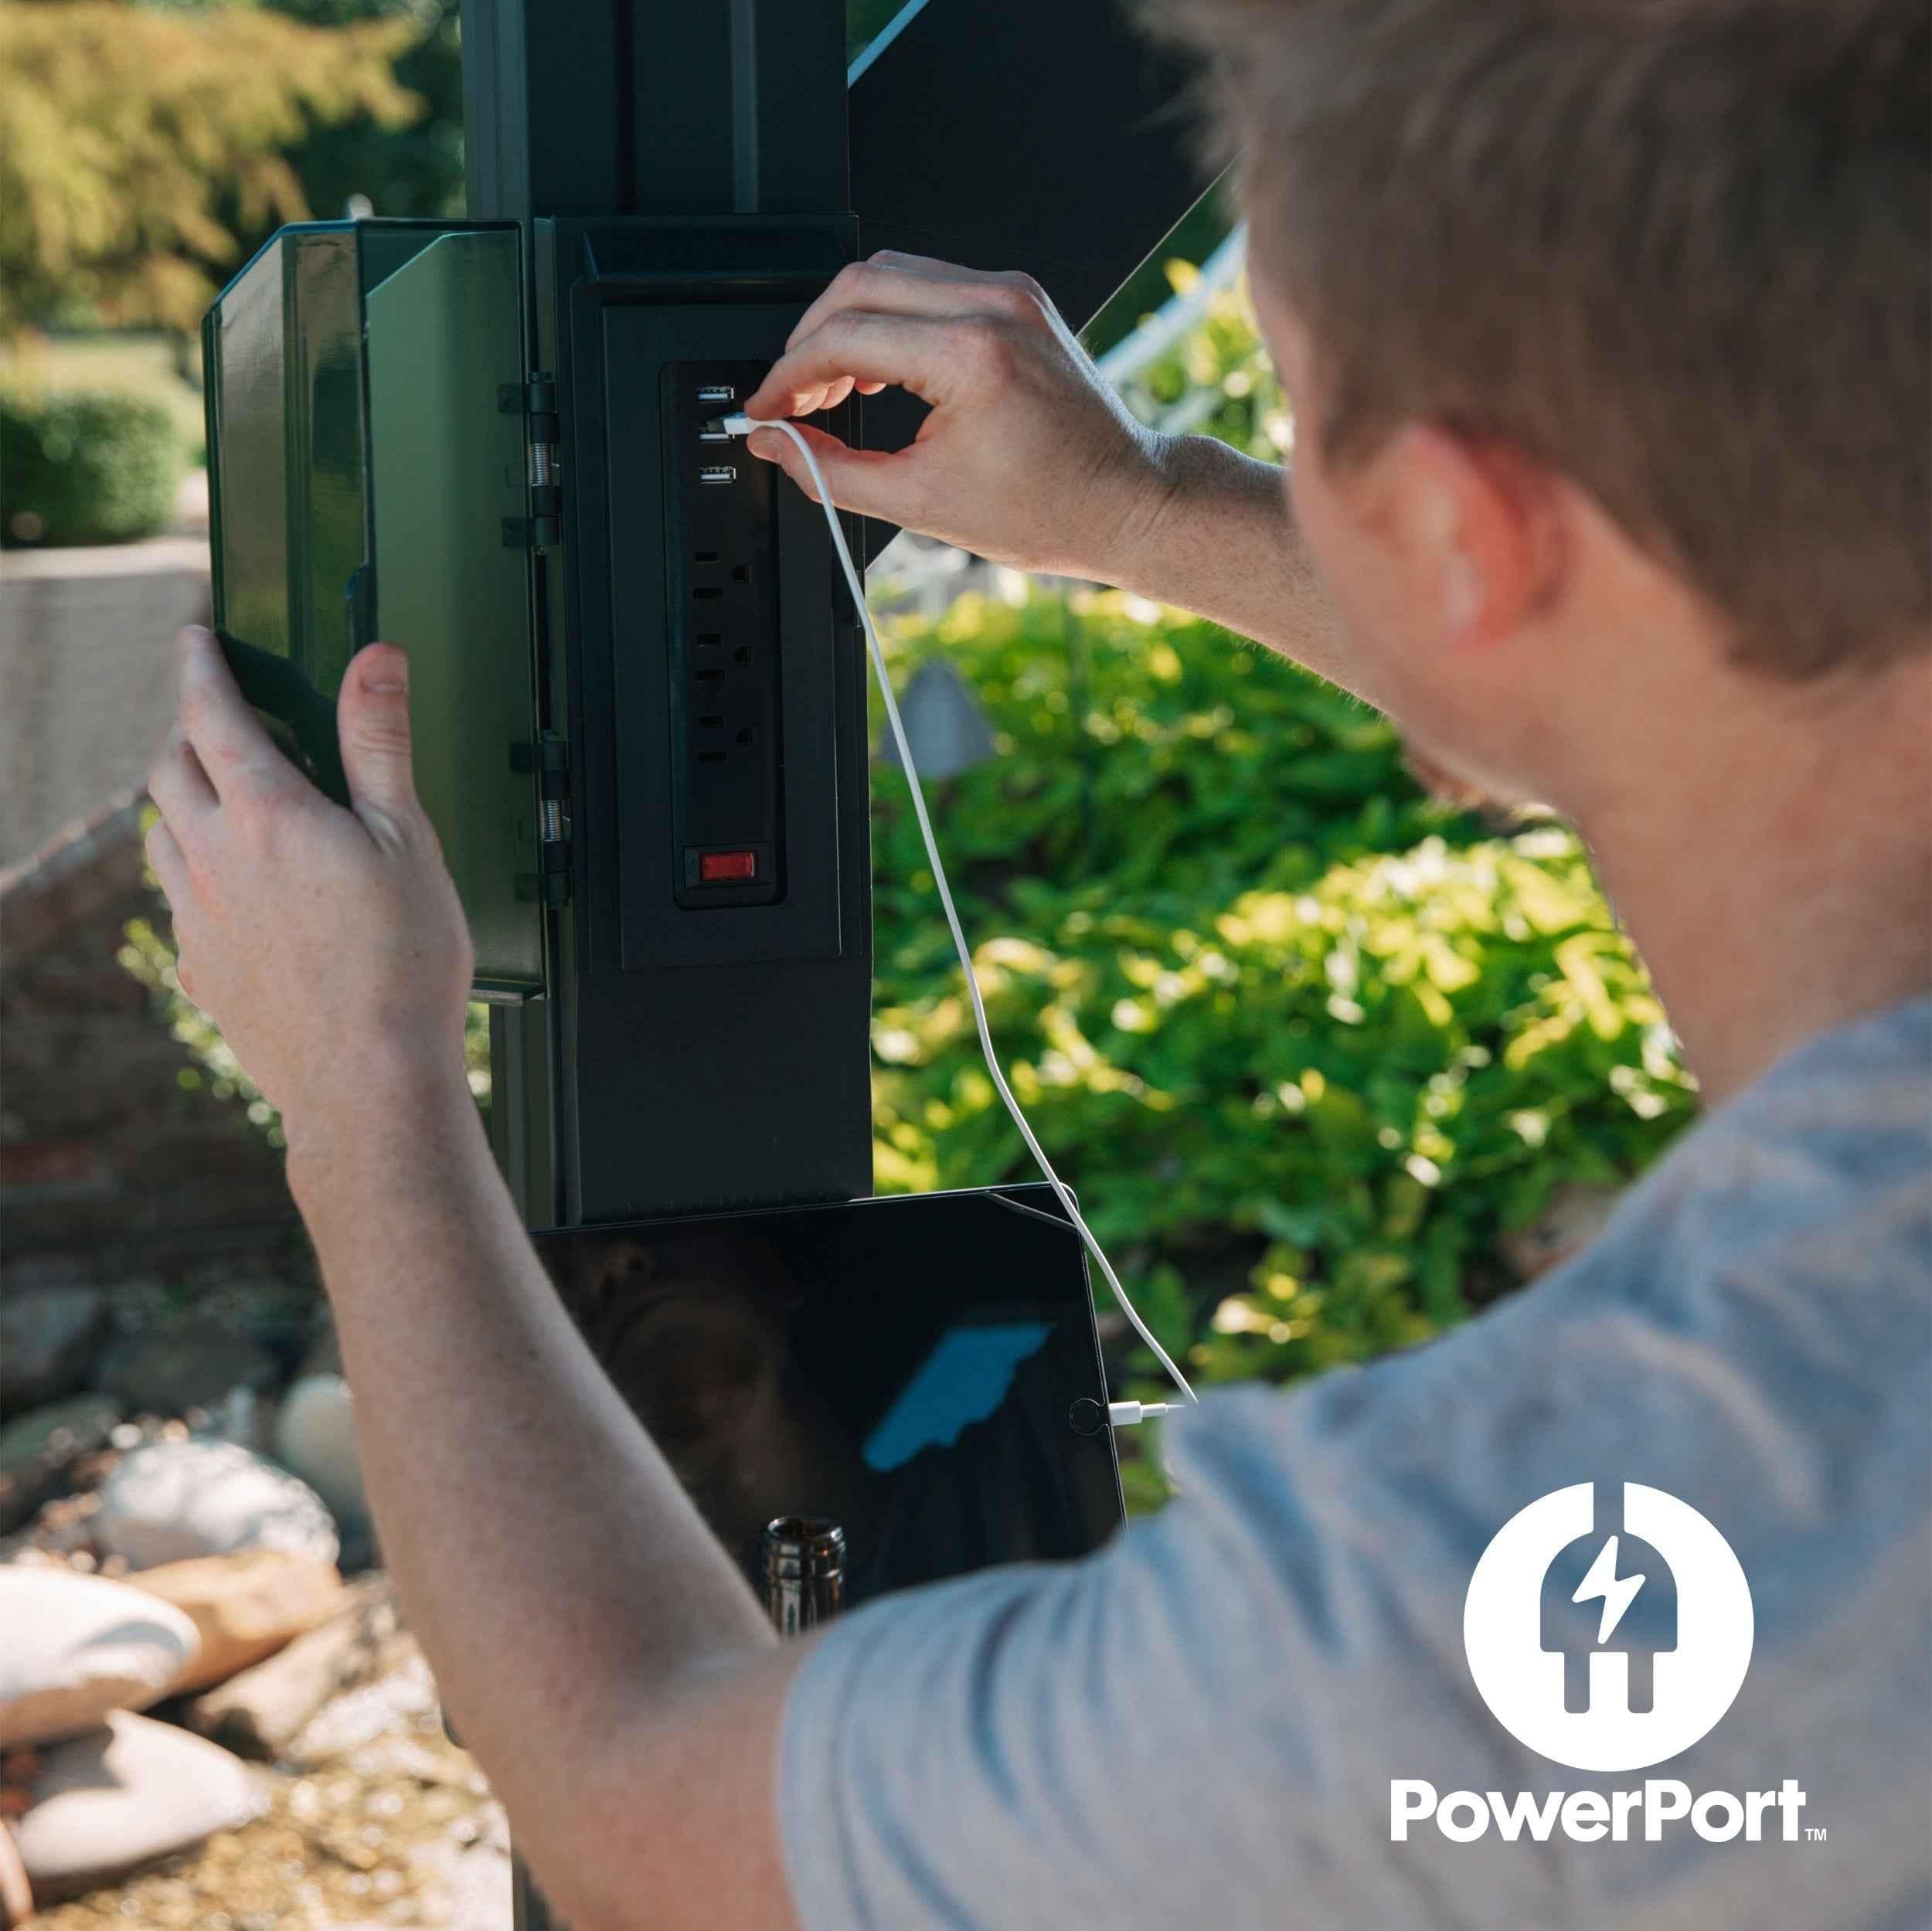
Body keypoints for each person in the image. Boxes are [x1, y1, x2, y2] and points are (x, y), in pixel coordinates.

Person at [144, 1, 1928, 1925]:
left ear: (1451, 527)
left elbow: (646, 1798)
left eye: (1314, 432)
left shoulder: (1530, 1568)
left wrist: (366, 1095)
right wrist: (1147, 500)